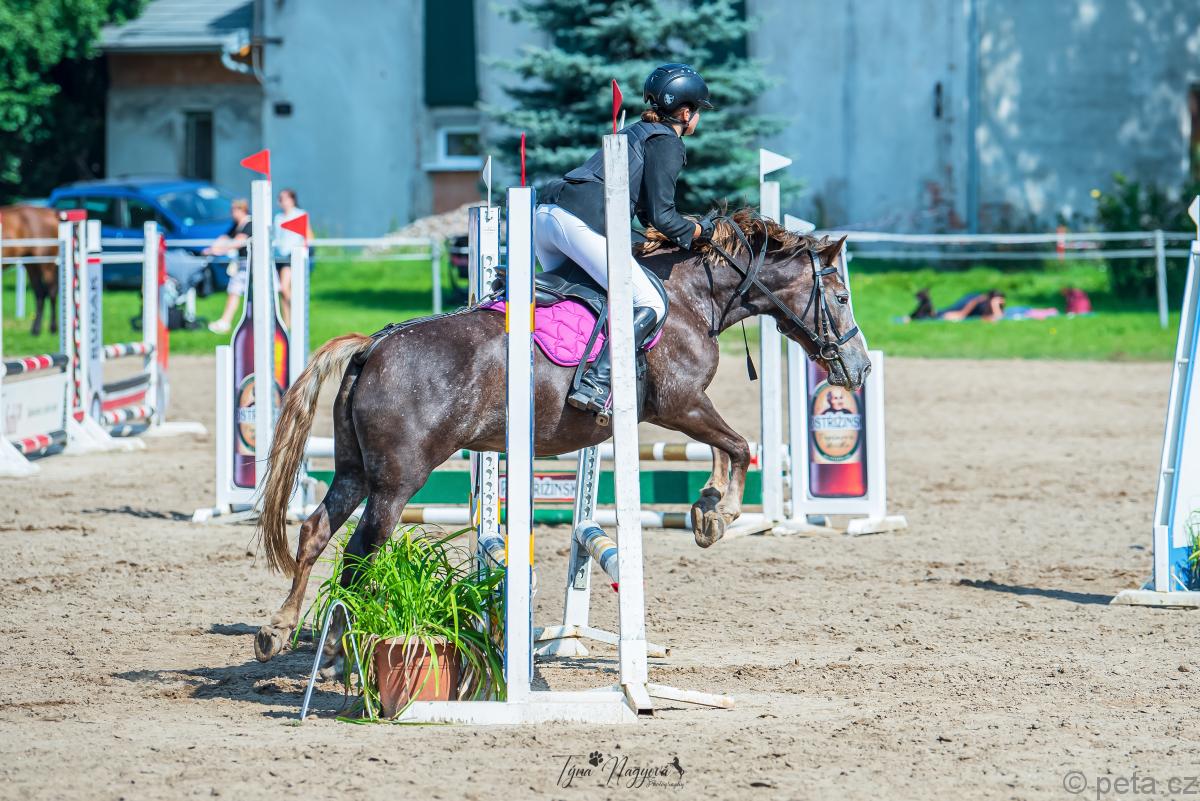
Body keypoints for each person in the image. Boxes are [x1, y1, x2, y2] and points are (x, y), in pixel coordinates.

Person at [535, 63, 716, 418]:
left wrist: (677, 228)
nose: (697, 118)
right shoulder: (667, 140)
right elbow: (663, 216)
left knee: (581, 298)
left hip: (546, 217)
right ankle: (597, 382)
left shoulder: (638, 130)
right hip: (579, 223)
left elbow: (648, 214)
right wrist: (701, 231)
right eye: (697, 111)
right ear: (684, 112)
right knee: (651, 302)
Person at [205, 198, 252, 334]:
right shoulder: (237, 225)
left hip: (253, 265)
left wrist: (218, 250)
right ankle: (225, 322)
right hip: (242, 265)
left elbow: (238, 242)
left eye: (233, 210)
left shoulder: (249, 224)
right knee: (233, 291)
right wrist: (211, 247)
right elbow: (224, 238)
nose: (231, 213)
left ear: (241, 210)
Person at [272, 188, 312, 327]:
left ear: (292, 200)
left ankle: (298, 312)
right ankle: (287, 322)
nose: (281, 202)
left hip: (293, 254)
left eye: (284, 198)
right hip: (279, 255)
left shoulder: (300, 214)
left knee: (284, 287)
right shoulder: (278, 217)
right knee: (282, 290)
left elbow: (308, 235)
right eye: (280, 199)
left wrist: (303, 250)